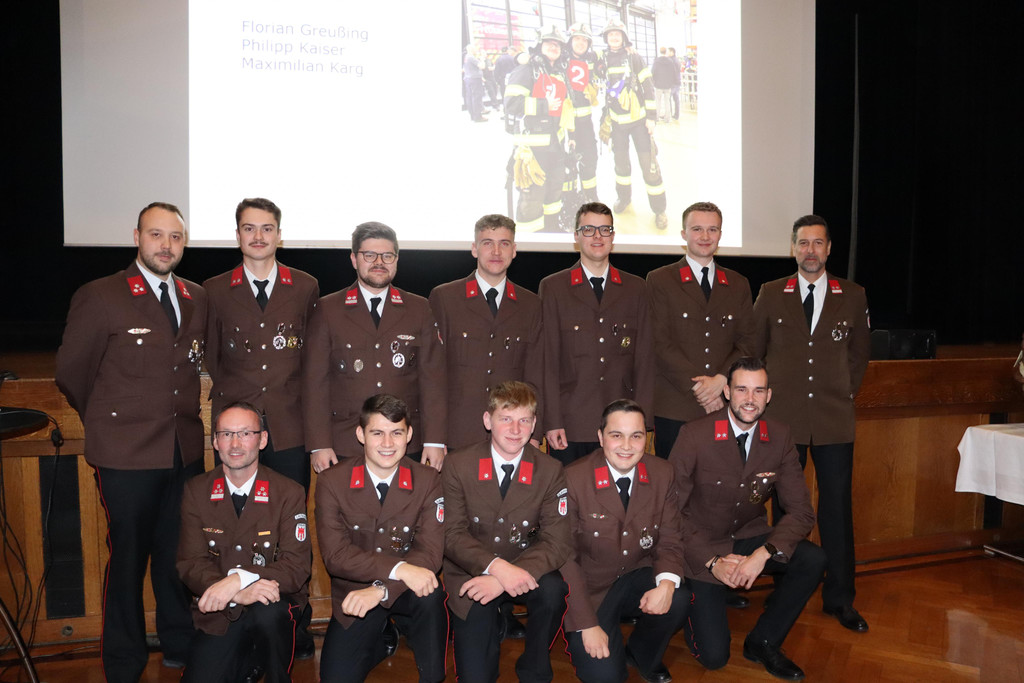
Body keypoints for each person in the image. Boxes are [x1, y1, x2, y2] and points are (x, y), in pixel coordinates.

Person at [55, 202, 207, 681]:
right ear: (136, 237)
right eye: (156, 235)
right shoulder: (101, 295)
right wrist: (108, 422)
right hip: (126, 455)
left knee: (178, 555)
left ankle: (180, 644)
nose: (166, 245)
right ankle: (124, 661)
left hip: (182, 449)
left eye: (175, 237)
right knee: (127, 560)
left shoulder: (196, 295)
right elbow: (72, 372)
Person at [670, 358, 826, 680]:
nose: (750, 399)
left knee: (813, 558)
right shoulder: (695, 435)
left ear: (769, 395)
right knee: (714, 657)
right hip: (702, 547)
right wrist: (712, 561)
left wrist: (763, 554)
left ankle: (763, 642)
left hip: (748, 536)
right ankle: (692, 603)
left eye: (758, 390)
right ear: (727, 392)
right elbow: (669, 511)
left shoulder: (780, 436)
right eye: (742, 389)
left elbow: (801, 511)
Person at [751, 215, 871, 633]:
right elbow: (755, 352)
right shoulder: (771, 293)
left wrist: (841, 391)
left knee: (836, 509)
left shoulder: (852, 295)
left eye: (818, 243)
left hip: (834, 419)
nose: (810, 251)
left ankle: (840, 598)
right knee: (786, 509)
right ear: (793, 248)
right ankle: (787, 590)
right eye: (803, 243)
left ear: (829, 249)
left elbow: (859, 355)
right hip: (784, 421)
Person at [442, 381, 570, 683]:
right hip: (472, 572)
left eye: (524, 420)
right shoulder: (459, 464)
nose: (515, 429)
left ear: (534, 424)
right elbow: (451, 534)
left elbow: (557, 542)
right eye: (506, 418)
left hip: (526, 567)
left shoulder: (550, 470)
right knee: (476, 678)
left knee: (554, 591)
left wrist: (504, 578)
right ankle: (494, 624)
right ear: (488, 420)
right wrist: (496, 568)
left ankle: (534, 666)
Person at [315, 394, 446, 683]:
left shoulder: (427, 480)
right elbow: (336, 557)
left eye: (396, 433)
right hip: (355, 592)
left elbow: (430, 553)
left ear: (409, 435)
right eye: (377, 433)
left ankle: (433, 676)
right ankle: (383, 637)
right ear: (360, 434)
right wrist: (398, 569)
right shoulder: (332, 482)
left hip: (406, 590)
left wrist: (381, 589)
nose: (387, 443)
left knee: (430, 593)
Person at [176, 402, 311, 683]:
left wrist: (240, 579)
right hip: (222, 612)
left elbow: (296, 567)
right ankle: (249, 661)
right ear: (215, 442)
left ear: (262, 440)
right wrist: (236, 593)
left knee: (269, 614)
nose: (235, 444)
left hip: (272, 605)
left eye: (245, 433)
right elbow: (190, 563)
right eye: (226, 434)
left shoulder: (288, 492)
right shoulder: (196, 491)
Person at [561, 399, 690, 683]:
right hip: (592, 591)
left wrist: (666, 584)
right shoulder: (574, 478)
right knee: (606, 678)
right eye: (616, 435)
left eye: (636, 436)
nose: (627, 446)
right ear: (600, 437)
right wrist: (586, 624)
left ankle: (641, 653)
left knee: (678, 597)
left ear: (647, 438)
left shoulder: (662, 473)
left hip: (635, 575)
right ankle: (600, 638)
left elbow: (670, 538)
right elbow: (564, 558)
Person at [302, 221, 447, 471]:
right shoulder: (328, 309)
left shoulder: (419, 308)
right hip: (346, 441)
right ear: (354, 259)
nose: (379, 262)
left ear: (397, 260)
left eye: (387, 256)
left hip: (405, 441)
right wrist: (319, 444)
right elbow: (315, 383)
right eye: (369, 255)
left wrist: (434, 440)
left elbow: (433, 380)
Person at [203, 198, 319, 492]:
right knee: (233, 507)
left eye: (267, 229)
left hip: (290, 424)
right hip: (234, 426)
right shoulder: (214, 290)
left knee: (291, 503)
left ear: (279, 235)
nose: (258, 236)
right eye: (249, 228)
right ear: (237, 235)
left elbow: (312, 357)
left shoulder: (305, 286)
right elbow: (213, 356)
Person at [539, 202, 654, 465]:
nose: (597, 236)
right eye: (588, 229)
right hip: (571, 420)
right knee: (568, 489)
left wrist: (642, 422)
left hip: (623, 423)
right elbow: (548, 361)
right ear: (576, 236)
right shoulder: (554, 287)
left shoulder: (635, 288)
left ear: (613, 236)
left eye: (605, 229)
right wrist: (552, 420)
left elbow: (645, 360)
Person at [646, 202, 755, 461]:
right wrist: (702, 389)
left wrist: (721, 380)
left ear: (720, 234)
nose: (705, 236)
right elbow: (658, 343)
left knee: (722, 481)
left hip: (725, 404)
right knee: (673, 481)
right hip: (675, 405)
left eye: (712, 229)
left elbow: (747, 342)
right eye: (697, 229)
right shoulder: (660, 280)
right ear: (684, 234)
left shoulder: (738, 284)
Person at [429, 213, 544, 451]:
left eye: (504, 243)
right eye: (487, 243)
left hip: (512, 434)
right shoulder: (445, 298)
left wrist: (535, 431)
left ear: (514, 250)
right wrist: (435, 437)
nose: (496, 252)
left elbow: (535, 375)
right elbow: (433, 375)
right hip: (458, 432)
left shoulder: (530, 304)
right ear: (474, 249)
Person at [599, 18, 668, 230]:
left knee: (649, 167)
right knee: (621, 166)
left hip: (639, 123)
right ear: (606, 38)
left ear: (624, 37)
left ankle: (659, 210)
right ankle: (624, 198)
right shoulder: (602, 58)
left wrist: (651, 118)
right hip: (617, 124)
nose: (614, 37)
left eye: (617, 34)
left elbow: (648, 86)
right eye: (610, 34)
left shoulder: (634, 57)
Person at [504, 25, 569, 233]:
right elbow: (511, 104)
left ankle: (552, 231)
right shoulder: (525, 70)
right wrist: (543, 105)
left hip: (556, 147)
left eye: (557, 44)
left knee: (554, 193)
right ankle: (531, 242)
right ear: (540, 45)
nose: (554, 47)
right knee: (532, 199)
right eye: (549, 43)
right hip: (532, 151)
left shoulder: (558, 72)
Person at [565, 23, 602, 202]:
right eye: (577, 39)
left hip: (585, 123)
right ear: (570, 41)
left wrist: (627, 47)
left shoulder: (590, 59)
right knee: (565, 164)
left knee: (590, 159)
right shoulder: (560, 58)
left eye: (584, 40)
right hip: (563, 124)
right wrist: (520, 56)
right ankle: (569, 200)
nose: (581, 43)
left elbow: (607, 56)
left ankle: (590, 197)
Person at [651, 47, 676, 123]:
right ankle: (667, 119)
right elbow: (673, 73)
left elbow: (652, 72)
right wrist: (671, 82)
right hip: (668, 85)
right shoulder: (670, 61)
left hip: (658, 85)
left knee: (657, 102)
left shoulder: (656, 61)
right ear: (666, 52)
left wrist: (654, 82)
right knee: (667, 102)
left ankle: (656, 118)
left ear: (660, 51)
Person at [464, 44, 487, 122]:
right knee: (476, 98)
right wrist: (482, 59)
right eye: (475, 49)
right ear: (472, 49)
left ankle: (473, 116)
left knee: (470, 97)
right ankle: (478, 117)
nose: (476, 50)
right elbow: (482, 66)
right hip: (475, 80)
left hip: (468, 79)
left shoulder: (466, 57)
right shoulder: (471, 57)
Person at [667, 48, 681, 120]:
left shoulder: (671, 61)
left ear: (672, 52)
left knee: (667, 98)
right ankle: (676, 115)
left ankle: (668, 115)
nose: (667, 53)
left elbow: (671, 72)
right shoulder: (677, 60)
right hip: (677, 82)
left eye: (668, 52)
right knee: (676, 100)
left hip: (673, 83)